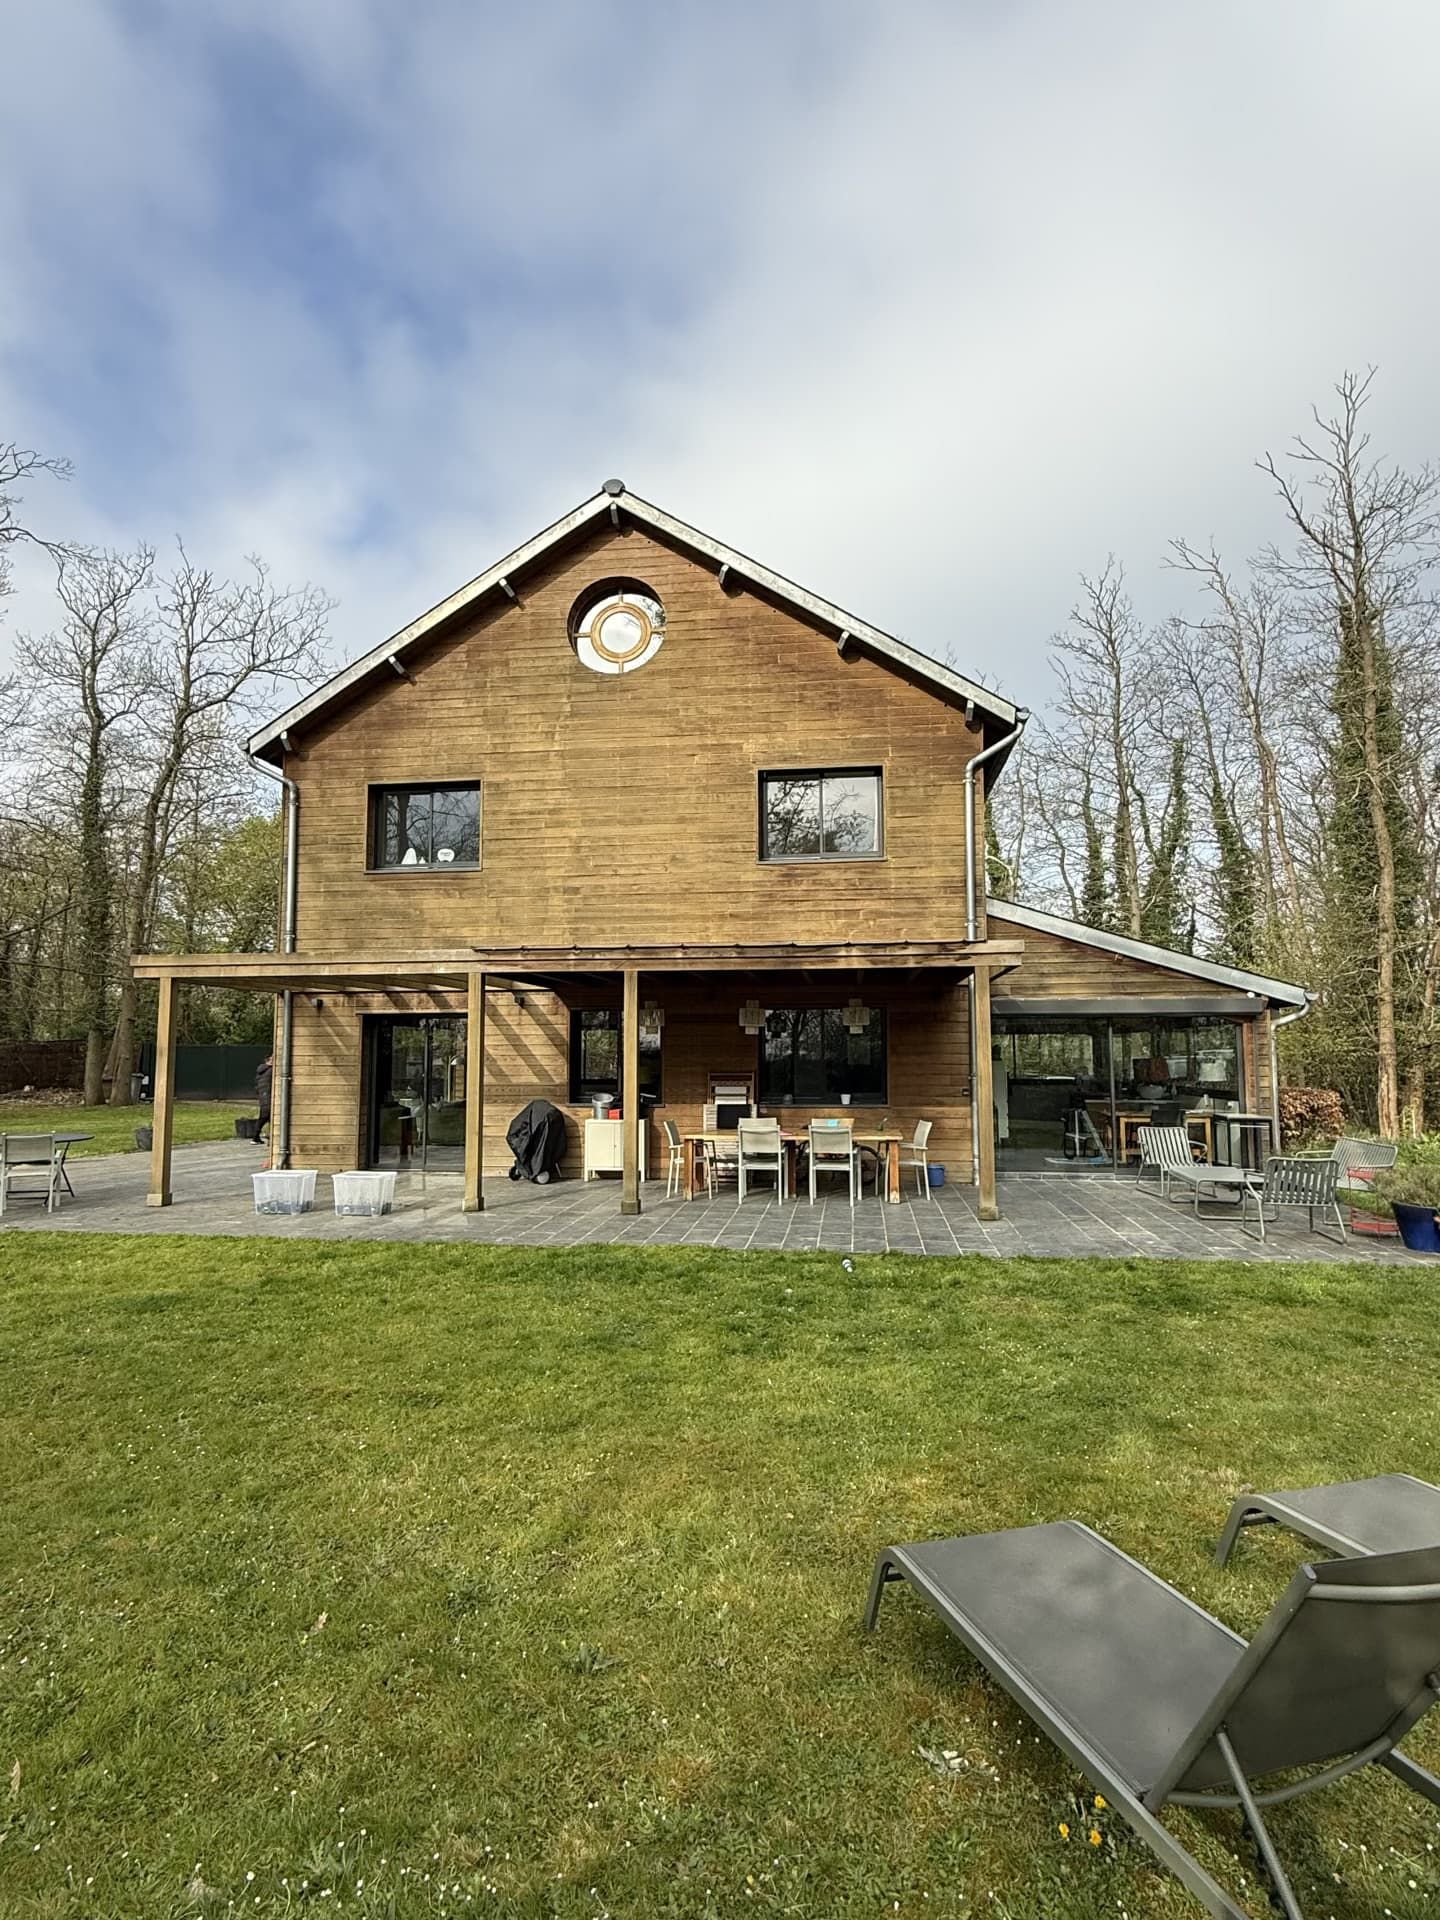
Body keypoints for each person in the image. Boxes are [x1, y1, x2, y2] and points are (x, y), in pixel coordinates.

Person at [256, 1054, 273, 1146]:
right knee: (265, 1116)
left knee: (266, 1116)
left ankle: (266, 1136)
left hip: (263, 1095)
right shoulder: (269, 1070)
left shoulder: (261, 1070)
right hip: (267, 1095)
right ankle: (256, 1137)